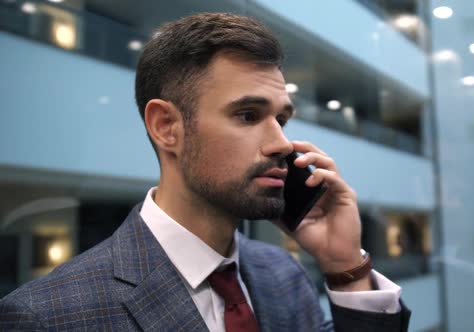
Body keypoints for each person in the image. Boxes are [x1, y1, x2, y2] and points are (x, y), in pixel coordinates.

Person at [0, 13, 411, 331]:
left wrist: (345, 266)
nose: (282, 145)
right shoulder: (48, 316)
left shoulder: (282, 273)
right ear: (167, 128)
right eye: (248, 115)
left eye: (281, 120)